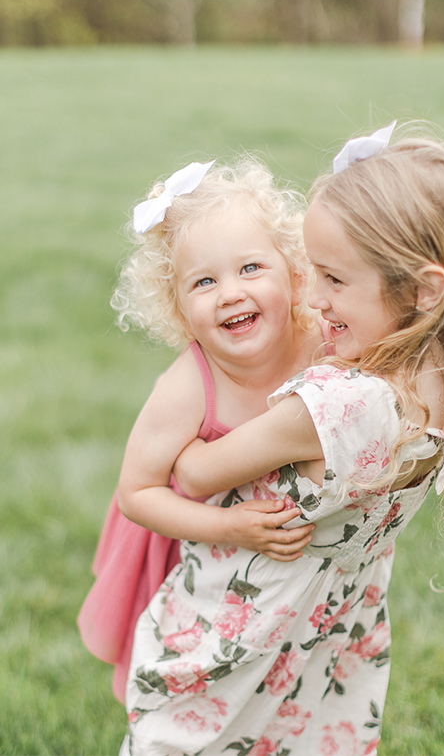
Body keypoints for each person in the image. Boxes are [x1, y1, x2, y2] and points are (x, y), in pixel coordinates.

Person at [119, 123, 444, 755]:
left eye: (331, 278)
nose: (313, 296)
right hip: (332, 627)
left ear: (424, 287)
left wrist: (193, 447)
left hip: (245, 621)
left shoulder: (337, 404)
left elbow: (192, 475)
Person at [78, 158, 321, 703]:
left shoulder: (320, 344)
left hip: (288, 566)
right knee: (198, 683)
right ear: (179, 307)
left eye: (251, 268)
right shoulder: (189, 385)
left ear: (294, 272)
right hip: (191, 548)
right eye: (204, 282)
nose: (230, 293)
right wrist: (228, 526)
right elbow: (136, 493)